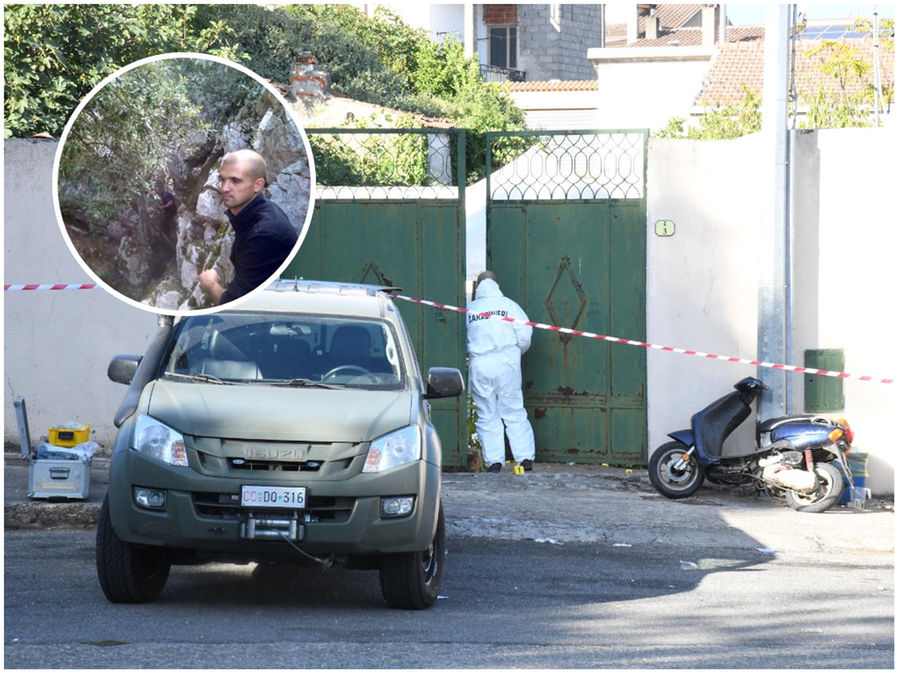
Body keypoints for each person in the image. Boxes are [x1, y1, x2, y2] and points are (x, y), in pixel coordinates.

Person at [198, 149, 298, 305]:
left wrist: (209, 283)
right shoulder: (254, 216)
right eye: (222, 179)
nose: (225, 188)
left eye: (235, 181)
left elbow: (234, 303)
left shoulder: (264, 234)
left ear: (258, 185)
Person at [467, 271, 536, 473]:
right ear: (497, 284)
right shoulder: (509, 305)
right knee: (513, 409)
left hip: (480, 363)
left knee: (486, 413)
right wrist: (514, 352)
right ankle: (524, 458)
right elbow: (525, 334)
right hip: (507, 362)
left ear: (478, 286)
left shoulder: (470, 309)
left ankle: (494, 462)